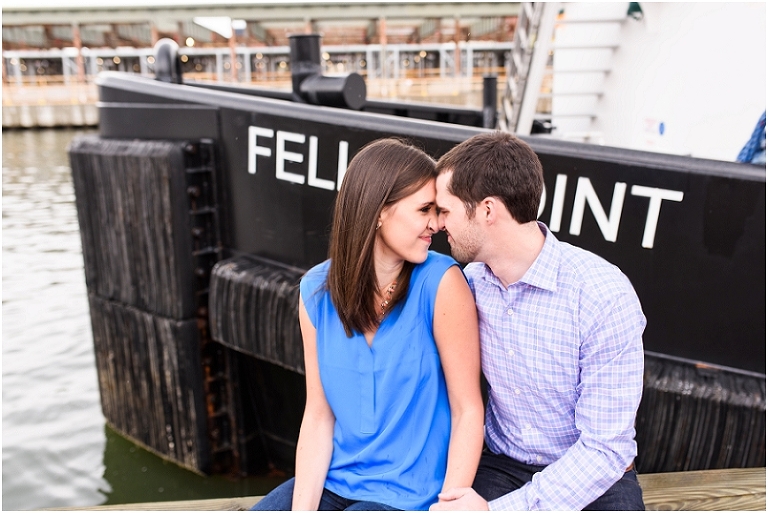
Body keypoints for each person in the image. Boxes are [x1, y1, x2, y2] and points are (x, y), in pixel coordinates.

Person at [252, 138, 484, 511]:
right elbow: (319, 416)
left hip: (409, 496)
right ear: (379, 211)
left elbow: (467, 410)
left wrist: (449, 505)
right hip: (335, 480)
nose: (437, 224)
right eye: (424, 209)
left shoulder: (441, 283)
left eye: (438, 210)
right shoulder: (316, 290)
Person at [430, 131, 646, 511]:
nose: (437, 224)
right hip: (504, 463)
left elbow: (605, 448)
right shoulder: (468, 285)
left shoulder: (603, 296)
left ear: (487, 210)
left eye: (445, 211)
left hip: (593, 470)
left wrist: (496, 510)